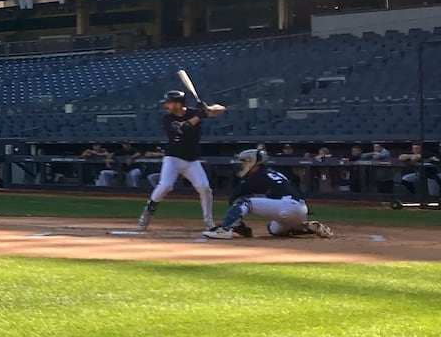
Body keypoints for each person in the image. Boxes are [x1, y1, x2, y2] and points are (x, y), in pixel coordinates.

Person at [137, 89, 225, 231]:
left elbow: (221, 109)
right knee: (165, 185)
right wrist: (200, 115)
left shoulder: (193, 112)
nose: (166, 105)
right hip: (173, 158)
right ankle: (148, 210)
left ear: (178, 104)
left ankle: (209, 222)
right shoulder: (168, 119)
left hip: (192, 160)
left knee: (204, 187)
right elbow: (182, 128)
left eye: (169, 103)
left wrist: (208, 109)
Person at [203, 148, 334, 239]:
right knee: (273, 230)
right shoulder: (273, 173)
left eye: (244, 161)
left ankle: (224, 230)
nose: (241, 165)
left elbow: (234, 197)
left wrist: (237, 224)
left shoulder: (256, 174)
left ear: (253, 162)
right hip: (300, 209)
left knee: (243, 201)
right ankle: (305, 227)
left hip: (287, 207)